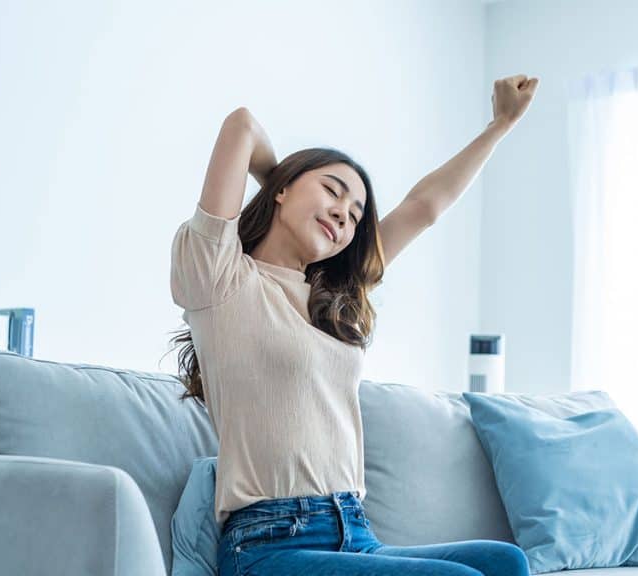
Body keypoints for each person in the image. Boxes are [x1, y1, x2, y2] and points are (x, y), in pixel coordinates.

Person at [168, 74, 540, 576]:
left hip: (356, 534)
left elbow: (422, 208)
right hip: (272, 545)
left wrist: (501, 124)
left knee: (505, 562)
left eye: (355, 214)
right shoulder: (221, 277)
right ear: (280, 192)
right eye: (333, 192)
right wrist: (281, 176)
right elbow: (242, 126)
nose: (344, 215)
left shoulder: (336, 295)